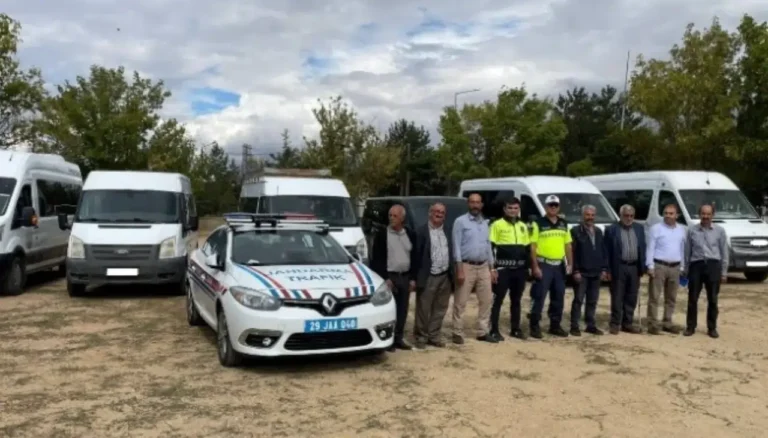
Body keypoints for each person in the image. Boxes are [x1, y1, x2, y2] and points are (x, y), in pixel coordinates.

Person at [369, 204, 417, 351]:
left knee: (403, 310)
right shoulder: (383, 234)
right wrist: (385, 278)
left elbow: (415, 256)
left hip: (405, 276)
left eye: (395, 216)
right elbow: (376, 259)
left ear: (402, 218)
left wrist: (413, 278)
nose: (391, 218)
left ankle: (399, 338)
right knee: (390, 309)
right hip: (390, 277)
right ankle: (388, 340)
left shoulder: (409, 233)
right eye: (390, 215)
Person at [451, 193, 497, 344]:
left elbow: (488, 246)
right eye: (472, 202)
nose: (475, 205)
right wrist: (459, 268)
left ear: (482, 205)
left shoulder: (485, 223)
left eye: (478, 202)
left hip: (483, 266)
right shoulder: (460, 222)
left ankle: (482, 331)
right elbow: (456, 246)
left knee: (486, 300)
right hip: (466, 265)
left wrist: (492, 268)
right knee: (461, 301)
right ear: (468, 204)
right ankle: (457, 332)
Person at [528, 195, 573, 339]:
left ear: (559, 207)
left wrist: (570, 263)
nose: (553, 208)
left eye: (555, 205)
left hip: (559, 265)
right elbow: (533, 246)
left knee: (558, 296)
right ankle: (534, 326)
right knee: (539, 296)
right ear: (546, 207)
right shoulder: (538, 223)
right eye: (550, 205)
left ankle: (555, 325)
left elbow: (568, 245)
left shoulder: (563, 223)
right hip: (544, 264)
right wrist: (535, 267)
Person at [683, 204, 728, 338]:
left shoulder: (719, 231)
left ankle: (712, 328)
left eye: (708, 214)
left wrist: (724, 272)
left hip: (713, 265)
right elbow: (687, 251)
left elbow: (724, 252)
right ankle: (690, 327)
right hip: (696, 265)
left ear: (713, 215)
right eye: (703, 213)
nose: (706, 216)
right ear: (699, 214)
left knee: (713, 299)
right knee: (692, 298)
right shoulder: (692, 230)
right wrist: (685, 269)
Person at [412, 202, 454, 348]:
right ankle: (421, 337)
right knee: (423, 309)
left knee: (440, 308)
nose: (439, 214)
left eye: (442, 212)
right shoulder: (421, 231)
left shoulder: (448, 230)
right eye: (436, 211)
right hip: (428, 275)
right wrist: (414, 278)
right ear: (430, 213)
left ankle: (434, 336)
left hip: (445, 276)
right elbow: (415, 256)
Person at [488, 197, 530, 341]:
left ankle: (515, 329)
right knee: (498, 300)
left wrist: (527, 267)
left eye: (515, 208)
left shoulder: (523, 226)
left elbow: (526, 248)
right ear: (504, 209)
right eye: (510, 208)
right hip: (503, 268)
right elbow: (490, 247)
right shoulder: (497, 225)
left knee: (516, 300)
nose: (513, 211)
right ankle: (494, 330)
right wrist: (492, 268)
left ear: (519, 209)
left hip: (519, 269)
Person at [604, 204, 646, 335]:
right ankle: (615, 323)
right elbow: (606, 251)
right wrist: (607, 270)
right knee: (617, 296)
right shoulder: (612, 229)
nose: (629, 218)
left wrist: (642, 267)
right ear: (620, 215)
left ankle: (627, 323)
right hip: (619, 267)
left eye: (631, 216)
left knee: (631, 296)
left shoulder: (639, 228)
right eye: (626, 215)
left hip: (634, 267)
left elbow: (642, 247)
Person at [646, 204, 686, 335]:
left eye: (671, 213)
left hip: (675, 267)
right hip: (659, 266)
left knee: (671, 297)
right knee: (654, 297)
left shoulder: (681, 230)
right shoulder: (656, 228)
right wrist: (650, 266)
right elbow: (650, 248)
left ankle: (667, 322)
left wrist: (682, 266)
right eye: (666, 213)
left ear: (677, 215)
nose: (668, 215)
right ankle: (652, 324)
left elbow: (682, 249)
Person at [569, 205, 608, 336]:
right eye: (587, 215)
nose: (590, 217)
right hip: (582, 272)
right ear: (582, 216)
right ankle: (574, 326)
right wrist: (575, 270)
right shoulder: (575, 231)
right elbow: (572, 252)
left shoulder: (598, 231)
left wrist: (604, 268)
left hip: (596, 271)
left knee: (592, 300)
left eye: (592, 215)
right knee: (578, 300)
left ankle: (590, 325)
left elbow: (603, 250)